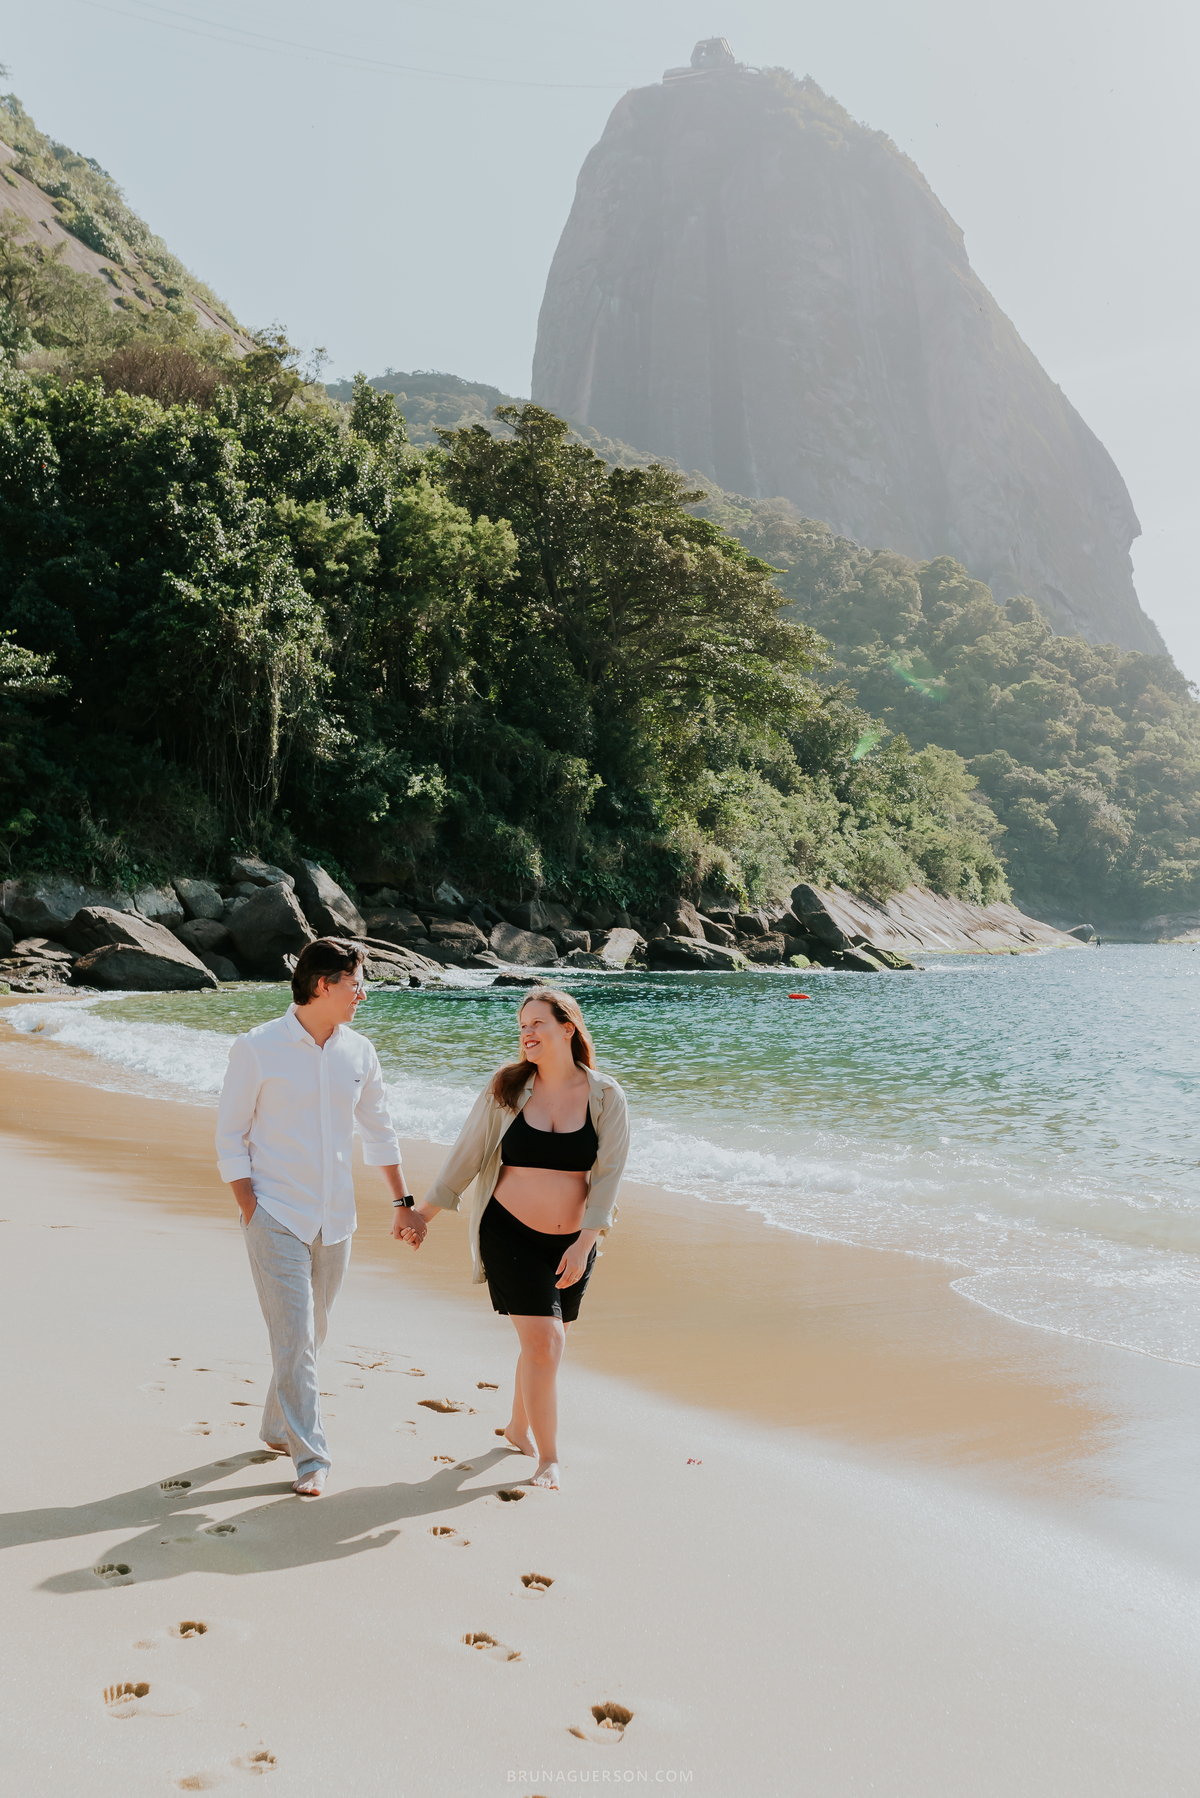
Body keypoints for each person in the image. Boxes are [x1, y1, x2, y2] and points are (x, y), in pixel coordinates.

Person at [215, 937, 424, 1497]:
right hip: (274, 1213)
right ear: (322, 984)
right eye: (356, 983)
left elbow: (379, 1131)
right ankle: (311, 1458)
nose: (363, 993)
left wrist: (403, 1204)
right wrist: (249, 1208)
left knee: (311, 1334)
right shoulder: (257, 1047)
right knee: (296, 1337)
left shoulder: (360, 1052)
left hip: (336, 1219)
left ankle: (274, 1426)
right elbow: (229, 1135)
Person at [406, 987, 629, 1490]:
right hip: (507, 1231)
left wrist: (586, 1240)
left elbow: (610, 1174)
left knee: (547, 1342)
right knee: (545, 1342)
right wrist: (423, 1215)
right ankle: (548, 1458)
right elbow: (466, 1156)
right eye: (522, 1025)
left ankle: (517, 1426)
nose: (527, 1032)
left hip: (575, 1241)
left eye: (538, 1023)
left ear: (567, 1028)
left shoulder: (605, 1096)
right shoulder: (507, 1087)